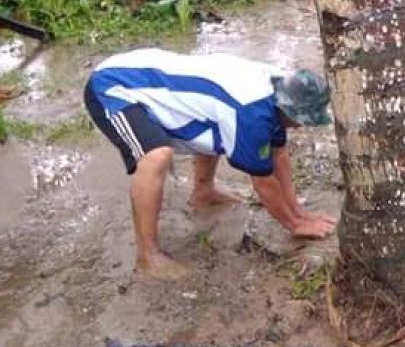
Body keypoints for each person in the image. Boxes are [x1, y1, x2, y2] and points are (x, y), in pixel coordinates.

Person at [83, 48, 338, 280]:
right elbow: (263, 181)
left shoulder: (281, 89)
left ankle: (203, 192)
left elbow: (278, 154)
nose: (302, 125)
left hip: (150, 76)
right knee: (156, 156)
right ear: (288, 110)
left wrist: (298, 210)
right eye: (301, 120)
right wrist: (294, 224)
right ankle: (147, 255)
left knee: (220, 127)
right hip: (113, 87)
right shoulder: (252, 111)